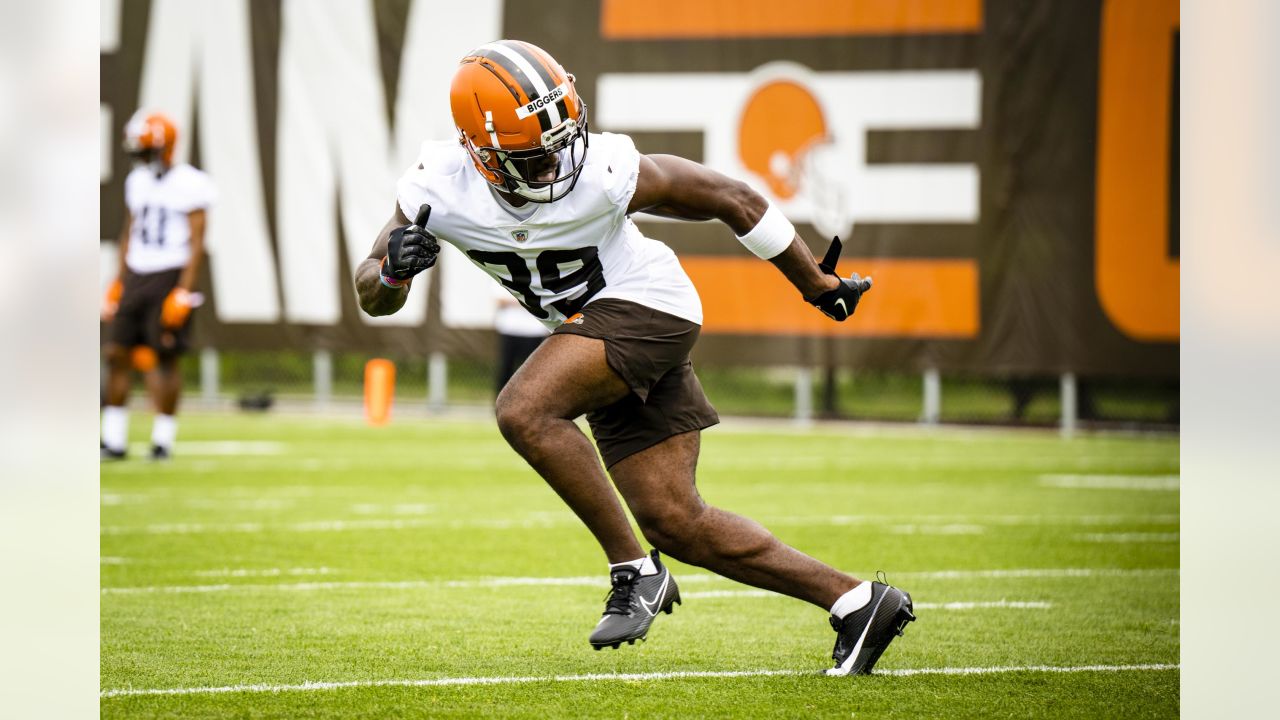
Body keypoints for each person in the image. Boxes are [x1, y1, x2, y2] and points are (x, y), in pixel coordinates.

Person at [355, 40, 915, 675]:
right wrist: (393, 273)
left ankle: (633, 572)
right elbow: (371, 290)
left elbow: (731, 198)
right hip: (594, 333)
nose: (557, 163)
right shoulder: (437, 187)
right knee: (677, 521)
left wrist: (814, 282)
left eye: (563, 140)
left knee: (524, 410)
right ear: (478, 155)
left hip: (650, 306)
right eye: (535, 156)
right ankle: (857, 602)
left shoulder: (603, 168)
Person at [101, 110, 215, 461]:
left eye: (146, 149)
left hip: (169, 273)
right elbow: (128, 233)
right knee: (116, 354)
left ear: (164, 148)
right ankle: (113, 439)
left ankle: (163, 440)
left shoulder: (191, 182)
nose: (140, 156)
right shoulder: (137, 181)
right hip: (137, 274)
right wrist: (119, 281)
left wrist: (183, 289)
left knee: (165, 358)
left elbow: (197, 242)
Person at [492, 283, 551, 393]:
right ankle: (502, 406)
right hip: (509, 330)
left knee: (532, 372)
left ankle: (530, 402)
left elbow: (547, 301)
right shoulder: (504, 273)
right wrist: (529, 301)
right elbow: (500, 301)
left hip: (533, 332)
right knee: (506, 370)